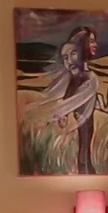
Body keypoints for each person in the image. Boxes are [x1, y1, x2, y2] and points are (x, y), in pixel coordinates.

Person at [28, 26, 99, 174]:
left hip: (82, 121)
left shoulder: (86, 77)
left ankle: (87, 176)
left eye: (72, 54)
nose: (95, 45)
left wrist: (62, 113)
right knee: (83, 154)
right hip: (81, 121)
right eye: (91, 41)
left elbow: (73, 98)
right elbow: (71, 97)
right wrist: (60, 114)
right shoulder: (84, 77)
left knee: (84, 153)